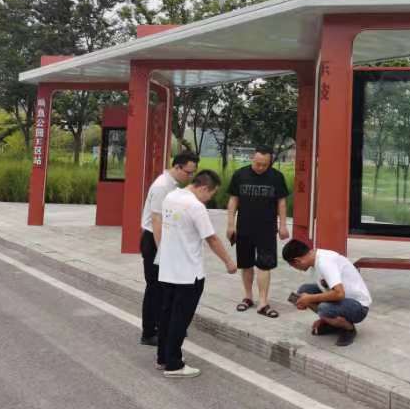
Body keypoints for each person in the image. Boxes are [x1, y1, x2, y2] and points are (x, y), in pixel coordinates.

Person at [155, 169, 237, 378]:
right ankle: (174, 365)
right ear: (204, 188)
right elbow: (212, 238)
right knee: (180, 319)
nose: (209, 199)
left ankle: (163, 358)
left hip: (167, 270)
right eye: (211, 194)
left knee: (167, 315)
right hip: (189, 274)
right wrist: (229, 262)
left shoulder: (171, 197)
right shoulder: (195, 206)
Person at [138, 150, 199, 346]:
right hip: (154, 241)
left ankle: (164, 326)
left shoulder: (173, 185)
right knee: (155, 289)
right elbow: (156, 220)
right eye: (188, 172)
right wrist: (163, 252)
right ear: (178, 167)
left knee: (166, 288)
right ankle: (149, 332)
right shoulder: (162, 186)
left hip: (164, 240)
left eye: (193, 173)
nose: (190, 176)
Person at [226, 146, 290, 318]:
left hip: (267, 228)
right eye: (258, 163)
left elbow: (281, 203)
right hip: (244, 227)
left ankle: (263, 302)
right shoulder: (240, 175)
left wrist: (283, 225)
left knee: (264, 264)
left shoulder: (276, 177)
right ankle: (248, 297)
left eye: (264, 165)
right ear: (252, 159)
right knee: (246, 264)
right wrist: (230, 224)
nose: (260, 167)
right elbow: (233, 200)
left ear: (270, 162)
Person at [282, 238, 372, 347]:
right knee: (304, 291)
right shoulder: (314, 260)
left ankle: (348, 329)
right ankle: (330, 321)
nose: (297, 269)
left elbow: (339, 294)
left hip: (358, 307)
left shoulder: (325, 262)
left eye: (293, 266)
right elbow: (328, 289)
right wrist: (322, 316)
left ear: (297, 261)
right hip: (343, 300)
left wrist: (309, 299)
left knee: (324, 308)